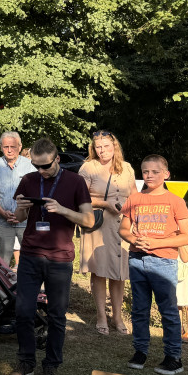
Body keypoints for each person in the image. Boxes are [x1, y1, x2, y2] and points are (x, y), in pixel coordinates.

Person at [6, 137, 93, 375]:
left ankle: (52, 365)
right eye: (36, 166)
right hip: (31, 254)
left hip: (59, 257)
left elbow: (88, 220)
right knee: (23, 311)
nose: (41, 171)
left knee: (56, 315)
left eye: (45, 166)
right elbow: (20, 216)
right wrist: (21, 208)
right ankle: (26, 362)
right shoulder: (28, 180)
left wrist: (63, 210)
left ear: (57, 159)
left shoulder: (75, 182)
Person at [120, 155, 188, 375]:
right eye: (145, 172)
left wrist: (158, 243)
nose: (149, 176)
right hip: (137, 260)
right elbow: (123, 229)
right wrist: (133, 239)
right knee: (139, 309)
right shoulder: (134, 199)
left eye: (154, 172)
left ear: (166, 174)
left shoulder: (175, 201)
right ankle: (140, 352)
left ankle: (173, 357)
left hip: (164, 261)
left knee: (168, 311)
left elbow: (187, 236)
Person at [78, 130, 137, 335]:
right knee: (100, 271)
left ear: (115, 147)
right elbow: (80, 197)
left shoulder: (127, 167)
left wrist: (137, 218)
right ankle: (101, 315)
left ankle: (117, 316)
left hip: (123, 224)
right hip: (99, 223)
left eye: (106, 146)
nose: (102, 151)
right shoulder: (88, 167)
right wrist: (106, 203)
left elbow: (135, 196)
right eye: (98, 147)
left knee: (119, 272)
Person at [0, 131, 34, 267]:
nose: (9, 150)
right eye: (6, 147)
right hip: (2, 222)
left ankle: (30, 288)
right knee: (2, 262)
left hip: (26, 222)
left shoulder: (30, 166)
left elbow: (35, 193)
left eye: (13, 146)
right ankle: (1, 289)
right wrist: (1, 212)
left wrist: (21, 213)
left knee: (31, 260)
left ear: (20, 146)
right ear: (1, 147)